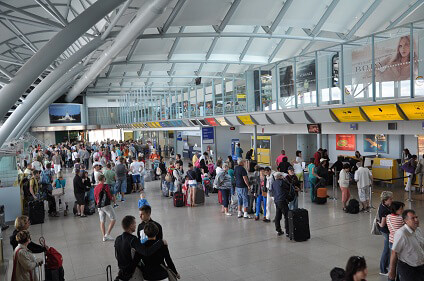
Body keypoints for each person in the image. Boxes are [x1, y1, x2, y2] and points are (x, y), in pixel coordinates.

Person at [114, 215, 164, 281]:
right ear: (131, 225)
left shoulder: (117, 239)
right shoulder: (132, 239)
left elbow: (116, 256)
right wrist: (161, 242)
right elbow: (146, 252)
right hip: (132, 273)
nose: (135, 225)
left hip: (122, 271)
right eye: (134, 223)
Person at [388, 209, 424, 281]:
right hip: (408, 268)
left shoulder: (418, 230)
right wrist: (392, 271)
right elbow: (394, 253)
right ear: (405, 221)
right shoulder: (401, 233)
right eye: (413, 218)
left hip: (420, 266)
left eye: (416, 217)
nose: (416, 220)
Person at [94, 174, 116, 242]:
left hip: (99, 206)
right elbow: (109, 195)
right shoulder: (105, 186)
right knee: (113, 218)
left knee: (102, 221)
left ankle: (104, 237)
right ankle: (108, 234)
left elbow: (95, 197)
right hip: (106, 205)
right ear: (103, 179)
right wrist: (111, 198)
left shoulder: (96, 187)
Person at [377, 190, 393, 276]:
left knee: (387, 250)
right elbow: (383, 224)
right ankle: (383, 270)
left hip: (386, 231)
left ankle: (385, 266)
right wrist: (378, 223)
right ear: (385, 200)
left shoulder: (383, 206)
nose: (391, 200)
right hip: (386, 231)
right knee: (386, 250)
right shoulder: (384, 210)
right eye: (390, 199)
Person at [272, 172, 291, 236]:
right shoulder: (282, 182)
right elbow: (288, 187)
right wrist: (285, 180)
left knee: (278, 215)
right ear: (280, 176)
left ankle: (278, 230)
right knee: (287, 216)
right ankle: (288, 231)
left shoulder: (273, 183)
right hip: (282, 200)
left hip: (276, 200)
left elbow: (273, 191)